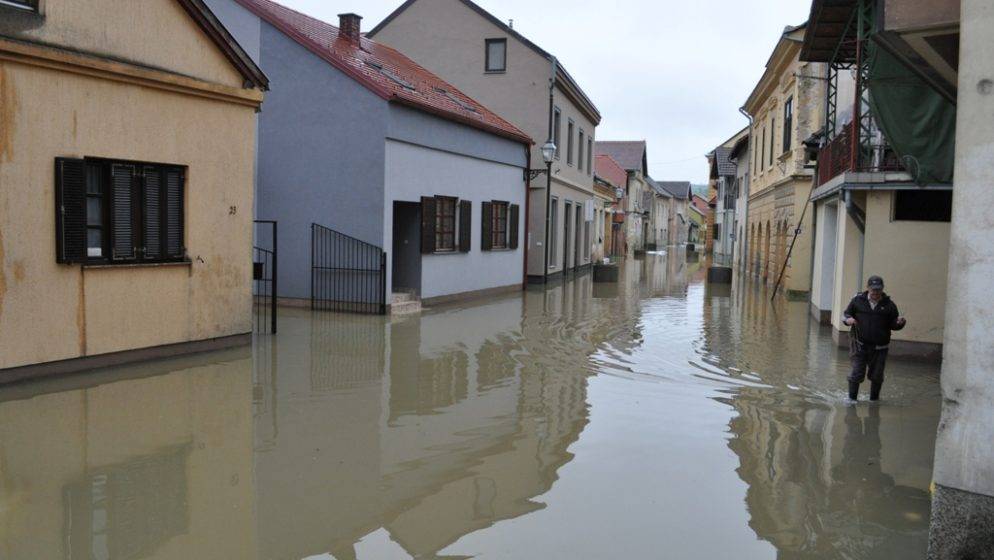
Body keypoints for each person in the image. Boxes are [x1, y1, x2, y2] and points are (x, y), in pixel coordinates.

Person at [843, 276, 906, 401]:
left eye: (878, 290)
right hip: (859, 345)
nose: (876, 293)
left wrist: (900, 323)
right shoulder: (857, 301)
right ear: (868, 288)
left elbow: (893, 324)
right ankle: (851, 401)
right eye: (873, 290)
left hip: (880, 348)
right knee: (856, 373)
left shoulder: (889, 305)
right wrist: (848, 320)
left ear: (882, 289)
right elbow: (846, 315)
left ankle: (874, 401)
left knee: (877, 376)